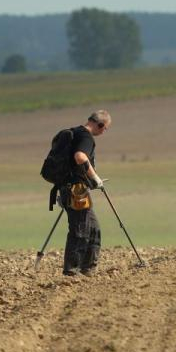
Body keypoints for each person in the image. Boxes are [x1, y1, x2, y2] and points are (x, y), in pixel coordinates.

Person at [59, 110, 111, 276]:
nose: (104, 132)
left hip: (68, 188)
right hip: (76, 190)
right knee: (80, 228)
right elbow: (80, 157)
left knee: (93, 227)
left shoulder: (73, 133)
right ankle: (72, 272)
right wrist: (95, 178)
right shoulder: (86, 136)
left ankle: (88, 269)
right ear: (100, 125)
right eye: (105, 129)